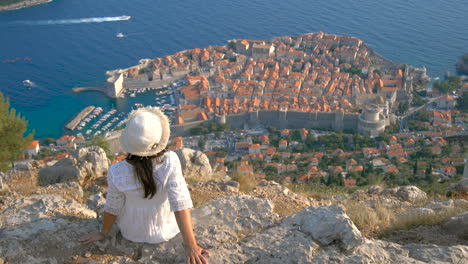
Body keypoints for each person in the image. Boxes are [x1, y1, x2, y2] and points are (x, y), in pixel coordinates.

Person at [79, 107, 209, 264]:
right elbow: (179, 203)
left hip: (131, 232)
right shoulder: (170, 161)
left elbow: (113, 206)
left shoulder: (116, 171)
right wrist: (191, 246)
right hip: (166, 231)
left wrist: (103, 232)